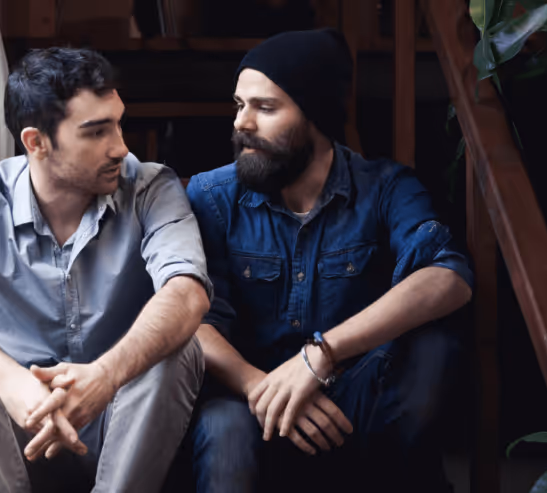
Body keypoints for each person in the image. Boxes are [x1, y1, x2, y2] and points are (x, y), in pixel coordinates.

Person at [174, 28, 474, 493]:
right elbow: (191, 318)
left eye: (265, 108)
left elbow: (447, 276)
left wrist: (321, 356)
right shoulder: (212, 197)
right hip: (248, 399)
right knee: (223, 428)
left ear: (316, 117)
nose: (241, 124)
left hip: (351, 398)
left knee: (435, 345)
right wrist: (261, 387)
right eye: (240, 104)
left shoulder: (384, 187)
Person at [0, 47, 211, 493]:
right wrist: (10, 382)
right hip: (18, 429)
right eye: (96, 132)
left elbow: (188, 293)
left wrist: (104, 377)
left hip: (121, 430)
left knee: (181, 348)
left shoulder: (151, 187)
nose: (121, 147)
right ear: (36, 142)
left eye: (118, 123)